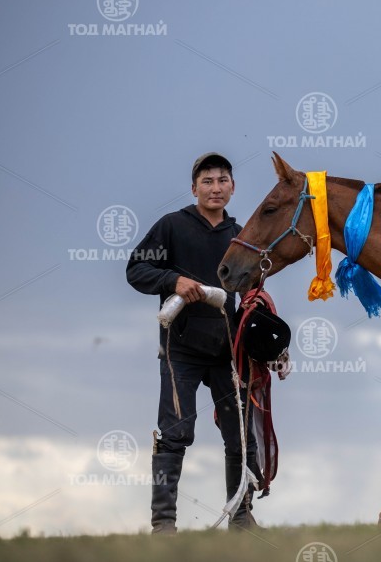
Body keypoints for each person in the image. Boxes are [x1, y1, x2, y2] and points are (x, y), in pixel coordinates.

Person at [126, 152, 259, 534]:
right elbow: (136, 269)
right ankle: (163, 524)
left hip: (228, 352)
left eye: (222, 180)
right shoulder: (171, 226)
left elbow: (253, 287)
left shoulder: (242, 234)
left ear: (233, 187)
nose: (215, 188)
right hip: (180, 349)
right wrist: (173, 281)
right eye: (207, 181)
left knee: (241, 437)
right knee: (174, 434)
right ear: (194, 188)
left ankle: (241, 519)